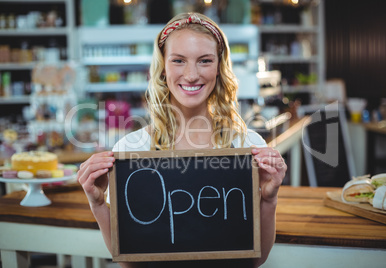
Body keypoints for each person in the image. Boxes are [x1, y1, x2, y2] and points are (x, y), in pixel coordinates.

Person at [77, 12, 286, 268]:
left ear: (219, 68)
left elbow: (256, 259)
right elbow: (130, 262)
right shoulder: (131, 149)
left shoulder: (248, 146)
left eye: (204, 61)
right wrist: (98, 204)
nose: (191, 75)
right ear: (163, 68)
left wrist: (269, 199)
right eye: (178, 60)